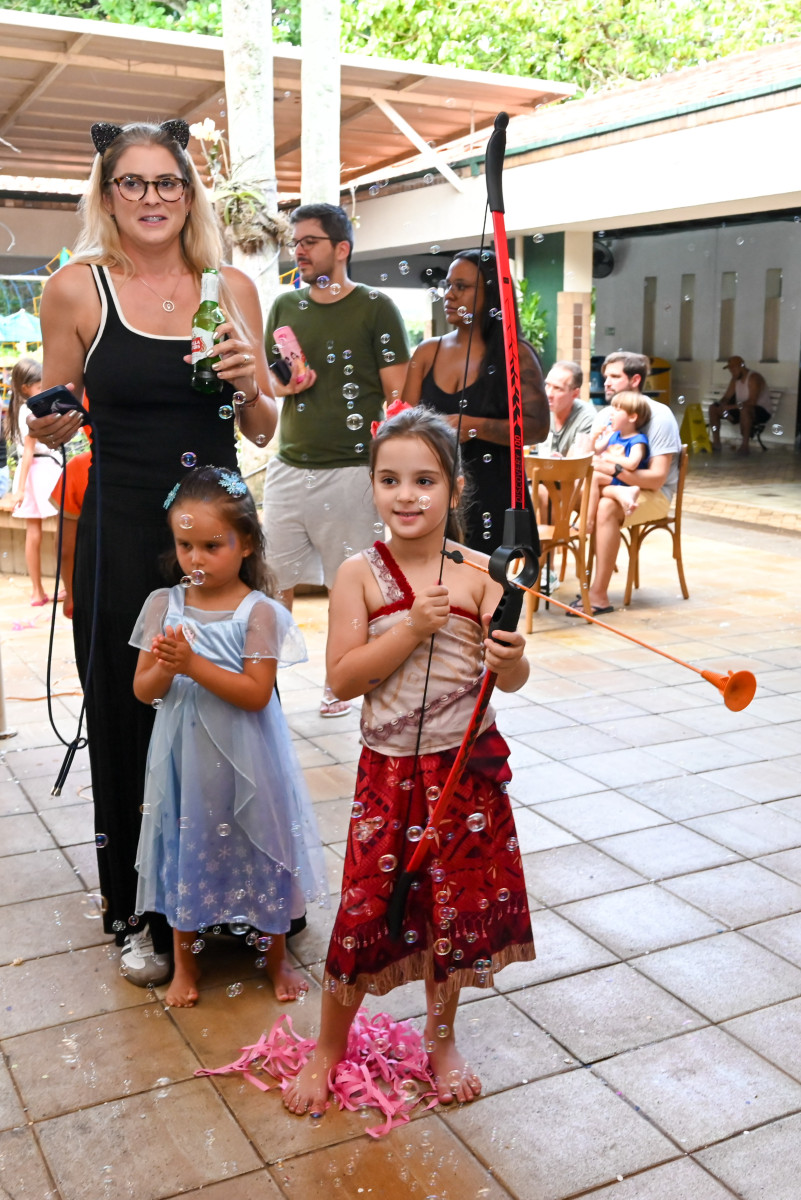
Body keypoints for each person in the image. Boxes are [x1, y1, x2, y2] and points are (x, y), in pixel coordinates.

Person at [31, 119, 277, 987]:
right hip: (124, 531)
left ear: (188, 192)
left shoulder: (231, 288)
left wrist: (250, 385)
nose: (150, 198)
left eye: (166, 181)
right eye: (131, 182)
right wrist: (51, 421)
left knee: (229, 711)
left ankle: (234, 898)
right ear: (106, 196)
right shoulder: (75, 289)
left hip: (220, 532)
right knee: (129, 710)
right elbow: (55, 408)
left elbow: (262, 425)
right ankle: (137, 911)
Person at [283, 407, 534, 1117]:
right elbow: (341, 679)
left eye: (425, 480)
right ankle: (328, 1047)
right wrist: (412, 628)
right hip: (391, 776)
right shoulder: (358, 575)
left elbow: (511, 680)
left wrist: (511, 660)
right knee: (364, 909)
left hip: (463, 776)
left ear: (455, 489)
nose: (407, 495)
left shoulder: (483, 574)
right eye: (389, 479)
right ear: (371, 487)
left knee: (452, 912)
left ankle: (441, 1039)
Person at [131, 466, 326, 1007]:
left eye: (212, 546)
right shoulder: (163, 605)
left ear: (247, 544)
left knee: (263, 844)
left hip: (250, 755)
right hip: (186, 759)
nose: (195, 558)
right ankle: (185, 963)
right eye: (185, 545)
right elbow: (143, 690)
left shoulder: (259, 611)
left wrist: (191, 663)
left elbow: (256, 693)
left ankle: (277, 957)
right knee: (186, 844)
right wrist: (166, 667)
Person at [262, 202, 410, 717]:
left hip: (352, 469)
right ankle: (264, 688)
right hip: (288, 466)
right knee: (273, 580)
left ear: (341, 248)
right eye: (295, 242)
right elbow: (270, 378)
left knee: (346, 586)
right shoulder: (284, 305)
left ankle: (337, 682)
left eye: (309, 241)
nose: (298, 250)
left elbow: (398, 397)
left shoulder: (375, 306)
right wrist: (287, 383)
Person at [402, 248, 548, 552]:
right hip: (435, 499)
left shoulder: (515, 355)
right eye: (448, 285)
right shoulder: (427, 353)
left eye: (462, 286)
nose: (449, 295)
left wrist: (473, 426)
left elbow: (537, 428)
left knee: (494, 582)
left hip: (498, 496)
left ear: (491, 295)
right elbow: (404, 424)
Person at [568, 351, 680, 616]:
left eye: (614, 377)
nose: (606, 382)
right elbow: (590, 459)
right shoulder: (607, 414)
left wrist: (614, 468)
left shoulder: (659, 416)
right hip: (614, 485)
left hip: (654, 493)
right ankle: (544, 576)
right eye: (605, 376)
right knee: (552, 493)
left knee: (606, 506)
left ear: (635, 380)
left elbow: (657, 478)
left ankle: (598, 595)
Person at [6, 357, 63, 606]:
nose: (43, 390)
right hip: (43, 470)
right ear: (25, 387)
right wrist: (19, 491)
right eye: (39, 386)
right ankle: (65, 586)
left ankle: (37, 591)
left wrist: (20, 487)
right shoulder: (32, 410)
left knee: (34, 531)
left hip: (29, 472)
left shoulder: (18, 409)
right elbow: (29, 450)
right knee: (61, 528)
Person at [587, 390, 651, 531]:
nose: (611, 414)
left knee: (593, 478)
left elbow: (632, 463)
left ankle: (588, 521)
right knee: (590, 478)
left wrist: (608, 457)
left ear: (632, 417)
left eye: (617, 410)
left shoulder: (638, 440)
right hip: (613, 479)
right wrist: (593, 438)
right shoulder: (613, 434)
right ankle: (622, 493)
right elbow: (594, 452)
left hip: (625, 479)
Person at [709, 356, 771, 454]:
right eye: (730, 370)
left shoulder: (754, 378)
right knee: (713, 408)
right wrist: (721, 406)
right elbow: (727, 397)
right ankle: (716, 443)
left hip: (760, 411)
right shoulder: (735, 379)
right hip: (740, 408)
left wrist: (729, 407)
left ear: (741, 366)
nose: (732, 372)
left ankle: (744, 446)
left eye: (733, 369)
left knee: (745, 410)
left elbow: (752, 402)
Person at [544, 360, 595, 457]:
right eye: (547, 385)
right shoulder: (539, 410)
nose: (548, 394)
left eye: (557, 388)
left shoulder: (586, 418)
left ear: (575, 393)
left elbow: (576, 462)